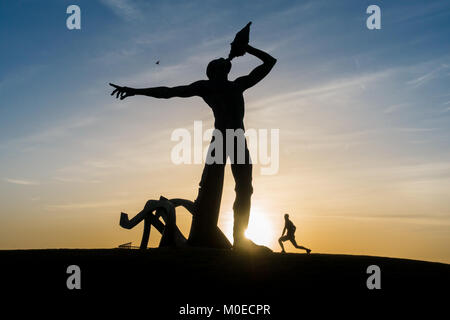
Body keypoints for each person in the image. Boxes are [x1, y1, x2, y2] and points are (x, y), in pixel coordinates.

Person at [109, 43, 276, 250]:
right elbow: (168, 92)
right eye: (218, 62)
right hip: (222, 139)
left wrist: (246, 48)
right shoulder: (207, 86)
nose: (223, 60)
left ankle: (240, 240)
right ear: (213, 72)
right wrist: (135, 91)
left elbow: (270, 62)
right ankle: (207, 234)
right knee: (211, 187)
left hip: (237, 139)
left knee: (244, 189)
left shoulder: (237, 85)